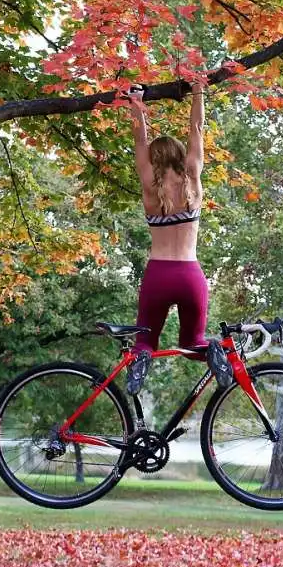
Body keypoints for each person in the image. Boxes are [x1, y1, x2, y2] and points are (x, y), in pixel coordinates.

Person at [125, 81, 210, 395]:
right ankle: (211, 351)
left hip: (158, 275)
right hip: (190, 276)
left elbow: (139, 141)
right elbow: (197, 128)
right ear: (179, 155)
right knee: (193, 343)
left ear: (155, 159)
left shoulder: (150, 184)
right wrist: (198, 89)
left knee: (145, 342)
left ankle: (142, 358)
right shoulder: (192, 179)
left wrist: (137, 101)